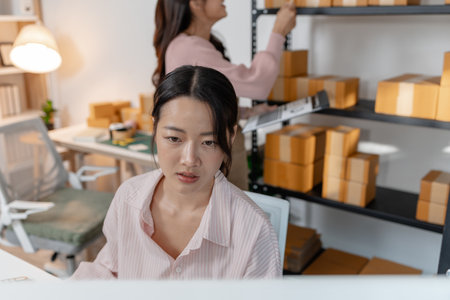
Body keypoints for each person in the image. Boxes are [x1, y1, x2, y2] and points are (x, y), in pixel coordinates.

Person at [71, 66, 281, 279]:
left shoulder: (254, 232)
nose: (189, 159)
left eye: (209, 142)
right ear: (155, 128)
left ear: (230, 136)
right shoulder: (128, 198)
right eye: (174, 139)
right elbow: (109, 268)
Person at [153, 0, 296, 190]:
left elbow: (203, 103)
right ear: (195, 3)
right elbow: (258, 84)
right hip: (214, 161)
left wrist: (245, 112)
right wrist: (278, 32)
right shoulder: (190, 48)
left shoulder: (189, 45)